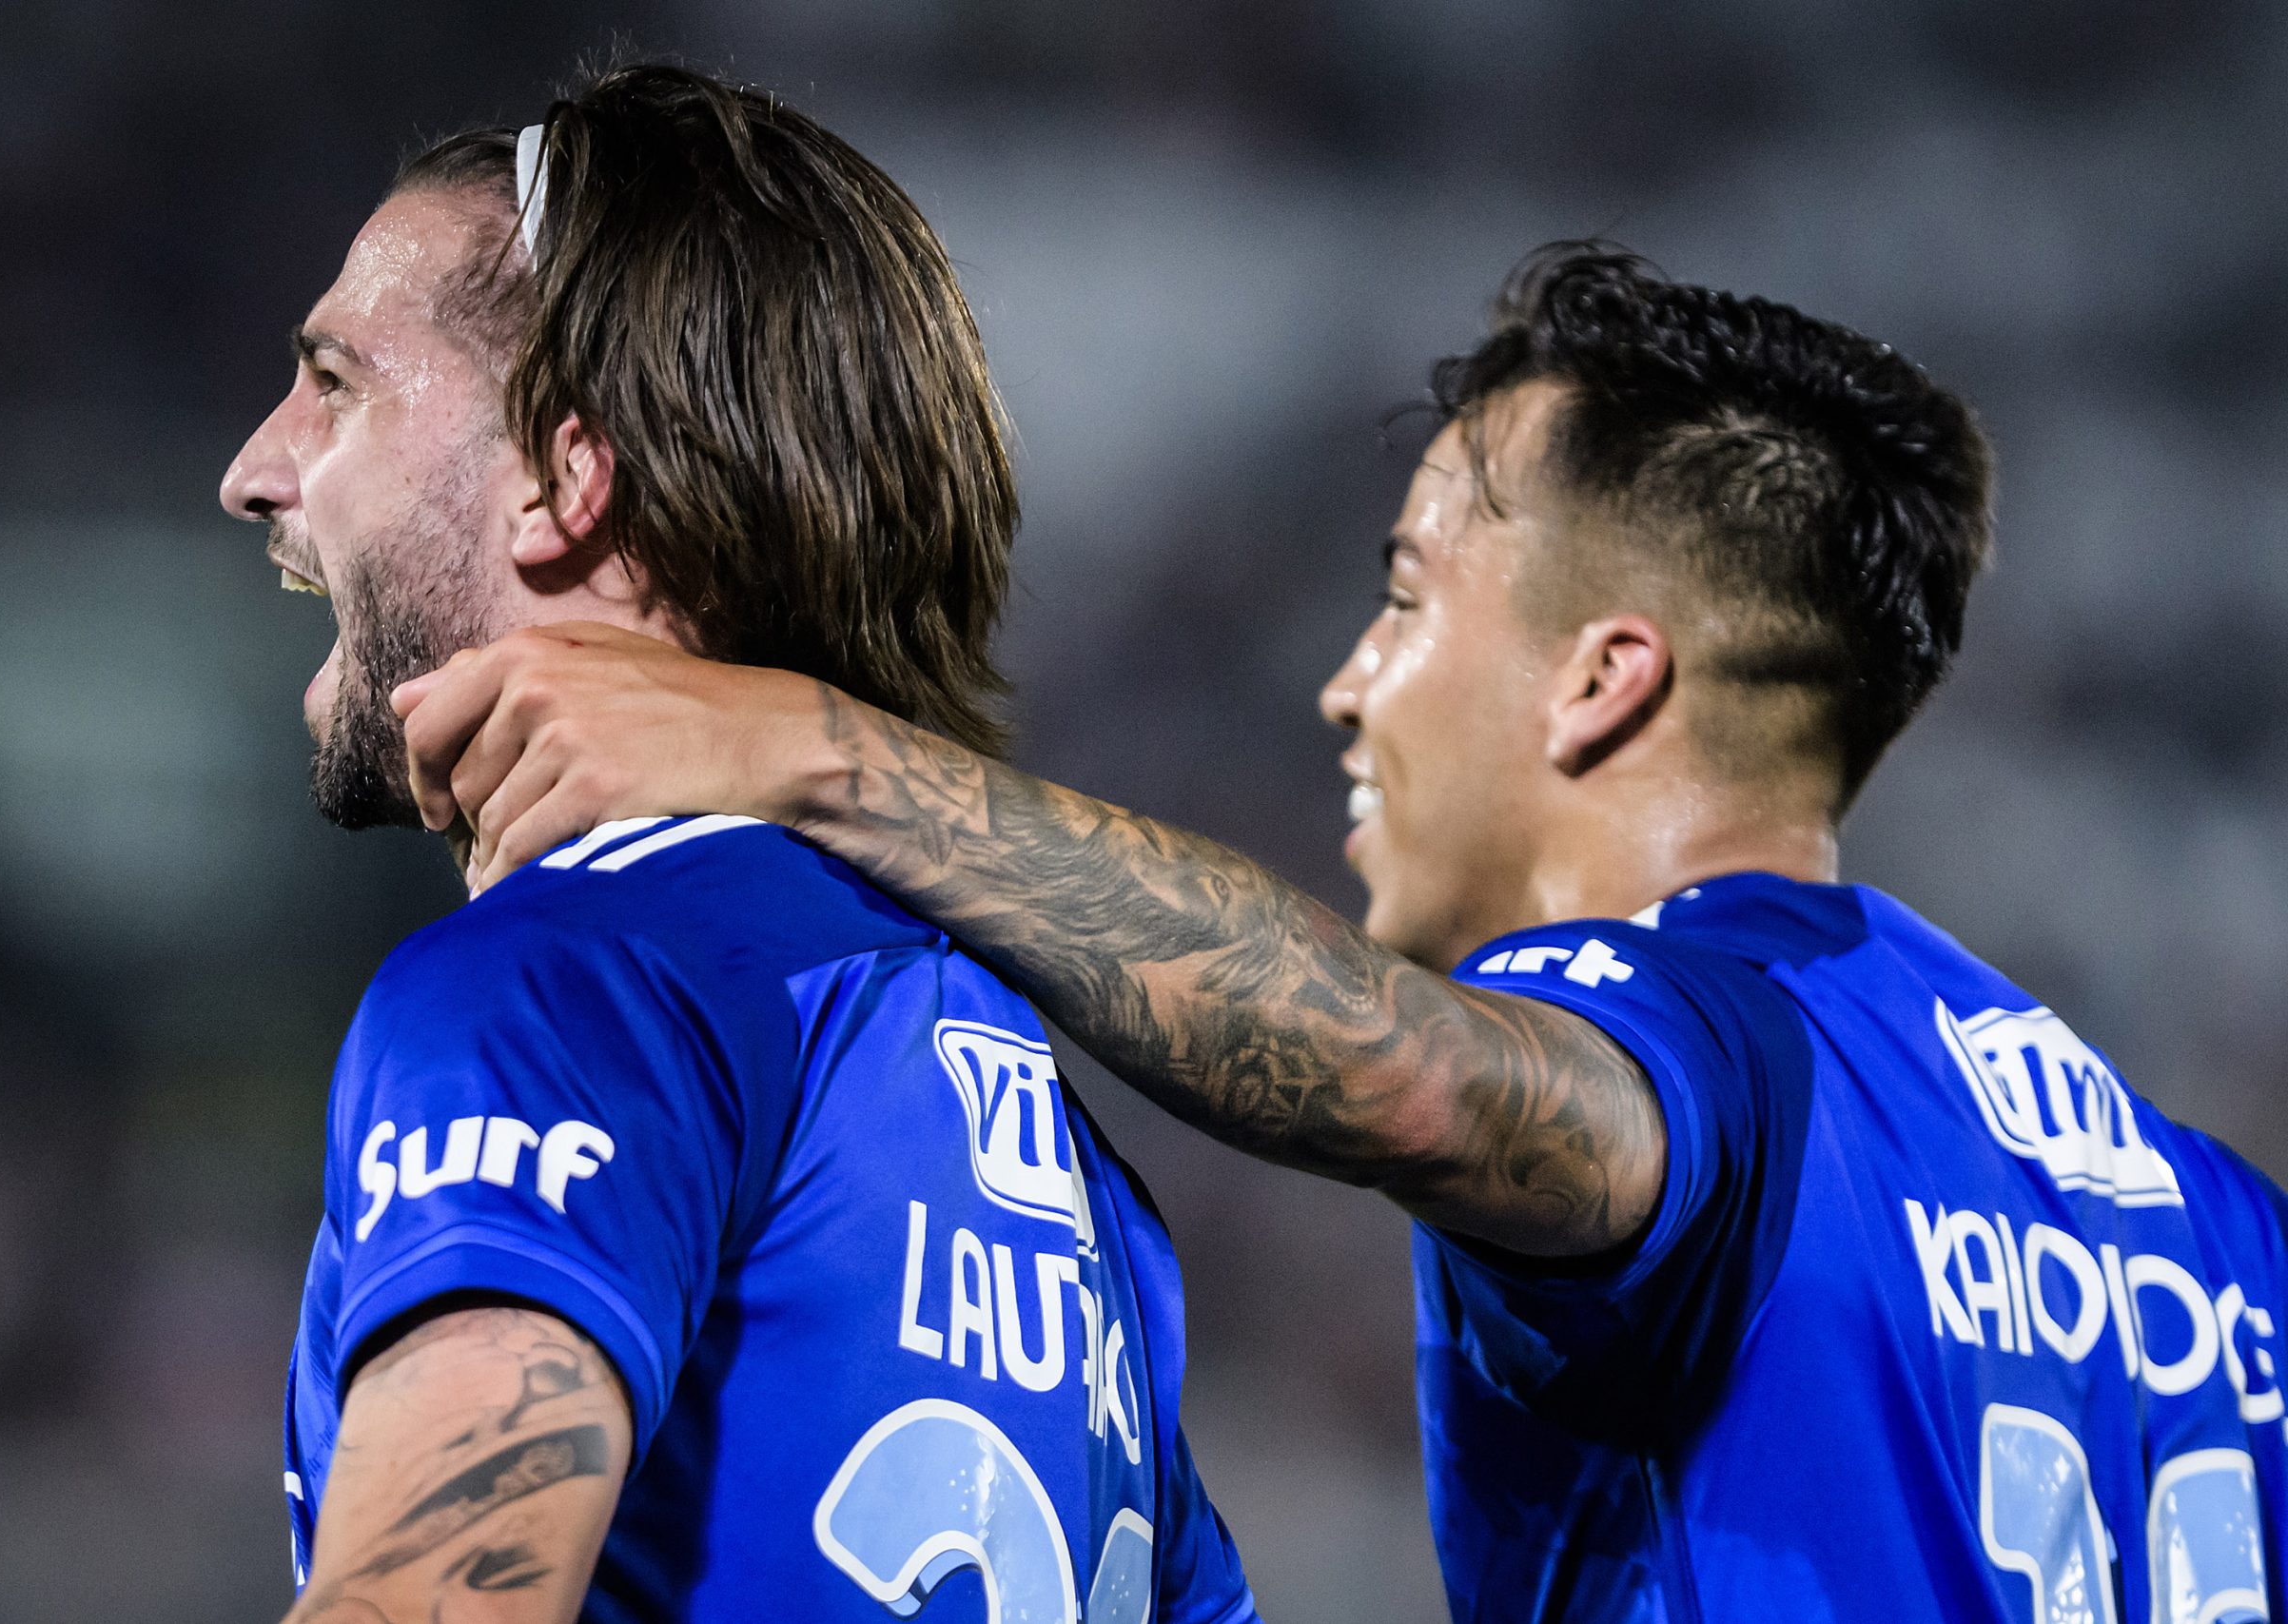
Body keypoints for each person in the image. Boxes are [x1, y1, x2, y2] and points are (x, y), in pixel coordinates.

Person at [397, 245, 2288, 1620]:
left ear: (1601, 680)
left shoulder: (1692, 1040)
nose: (1342, 684)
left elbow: (1416, 1071)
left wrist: (812, 750)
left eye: (1402, 596)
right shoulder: (2194, 1210)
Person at [218, 62, 1256, 1624]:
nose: (256, 468)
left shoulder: (569, 975)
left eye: (336, 384)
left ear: (567, 476)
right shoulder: (1074, 1185)